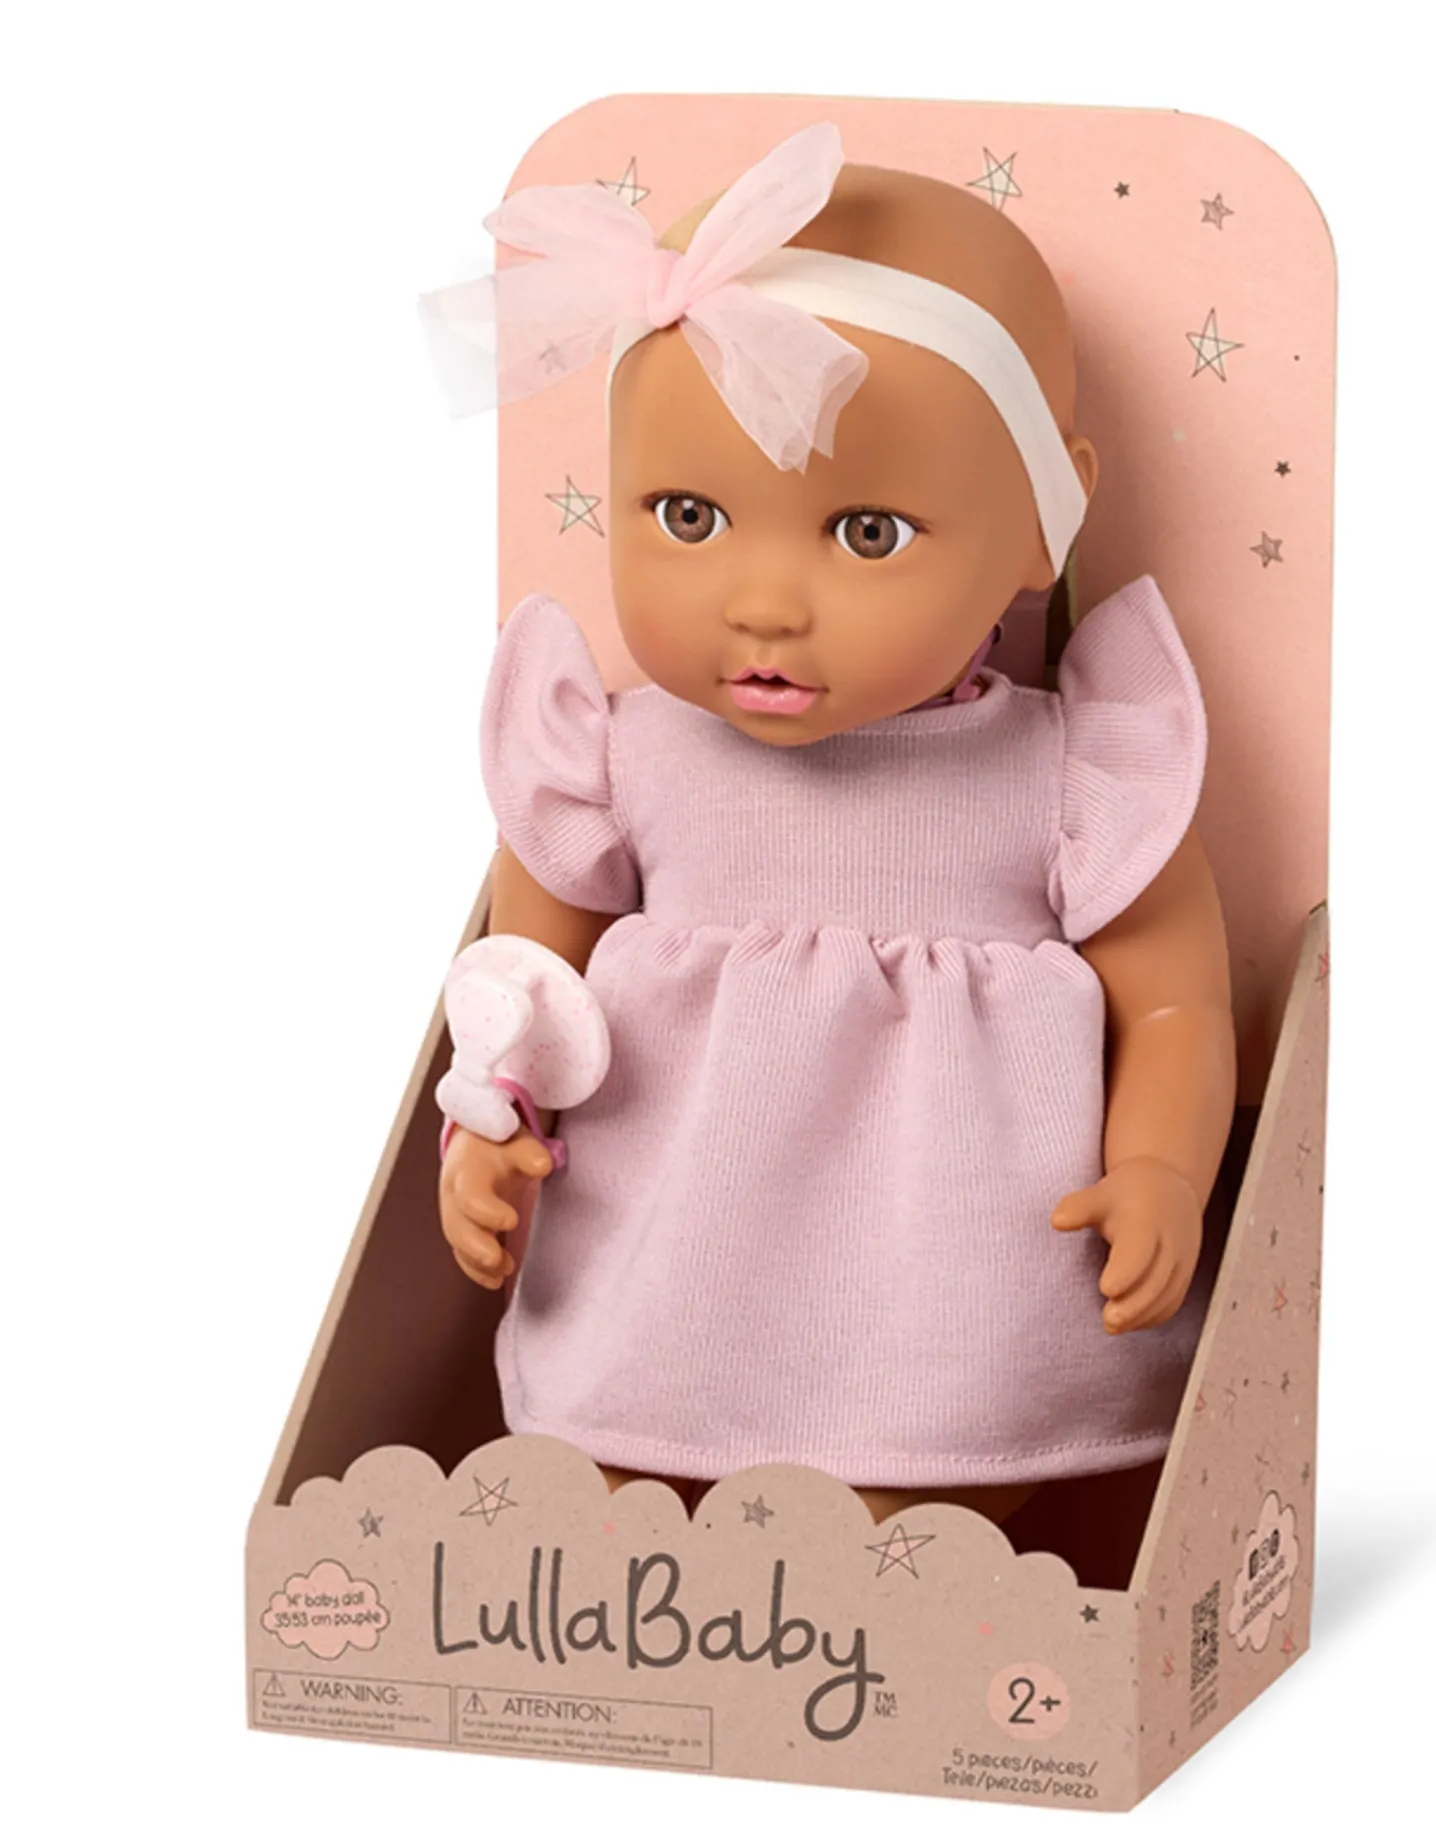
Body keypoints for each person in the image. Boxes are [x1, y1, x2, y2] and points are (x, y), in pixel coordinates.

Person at [427, 122, 1236, 1529]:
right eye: (689, 515)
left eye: (867, 533)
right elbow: (520, 984)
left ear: (1042, 522)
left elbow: (1172, 1005)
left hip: (951, 1298)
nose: (763, 603)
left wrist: (1164, 1167)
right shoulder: (614, 755)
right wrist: (486, 1128)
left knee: (907, 1528)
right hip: (665, 1267)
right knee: (609, 1492)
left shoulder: (1068, 773)